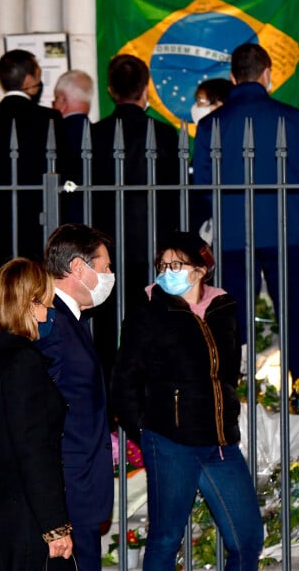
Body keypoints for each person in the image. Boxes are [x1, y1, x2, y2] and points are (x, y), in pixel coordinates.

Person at [112, 231, 264, 570]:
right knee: (166, 538)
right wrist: (147, 430)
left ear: (200, 268)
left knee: (247, 537)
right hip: (171, 441)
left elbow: (227, 373)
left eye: (176, 264)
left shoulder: (224, 306)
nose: (168, 271)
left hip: (220, 442)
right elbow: (125, 378)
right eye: (162, 265)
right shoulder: (149, 309)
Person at [193, 42, 299, 380]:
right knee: (293, 322)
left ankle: (233, 400)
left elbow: (202, 183)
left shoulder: (210, 125)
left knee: (232, 325)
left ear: (232, 77)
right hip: (281, 233)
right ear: (267, 75)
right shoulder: (291, 118)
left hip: (232, 237)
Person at [0, 258, 73, 570]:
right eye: (45, 303)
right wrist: (55, 527)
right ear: (30, 304)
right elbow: (33, 450)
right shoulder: (23, 362)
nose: (48, 313)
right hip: (25, 519)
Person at [91, 53, 180, 377]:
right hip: (152, 246)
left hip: (105, 249)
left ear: (112, 90)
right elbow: (175, 195)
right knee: (151, 327)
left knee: (104, 329)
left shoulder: (95, 134)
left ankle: (109, 398)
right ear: (146, 88)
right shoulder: (166, 134)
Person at [36, 223, 115, 571]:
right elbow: (41, 413)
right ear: (79, 268)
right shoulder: (50, 322)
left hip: (79, 485)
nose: (110, 275)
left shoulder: (71, 319)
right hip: (69, 486)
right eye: (105, 267)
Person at [0, 49, 67, 275]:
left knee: (3, 290)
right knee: (38, 291)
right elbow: (62, 171)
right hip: (40, 223)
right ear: (29, 79)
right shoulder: (49, 119)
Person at [53, 69, 94, 222]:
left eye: (55, 99)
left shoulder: (56, 134)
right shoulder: (99, 133)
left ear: (62, 100)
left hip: (63, 218)